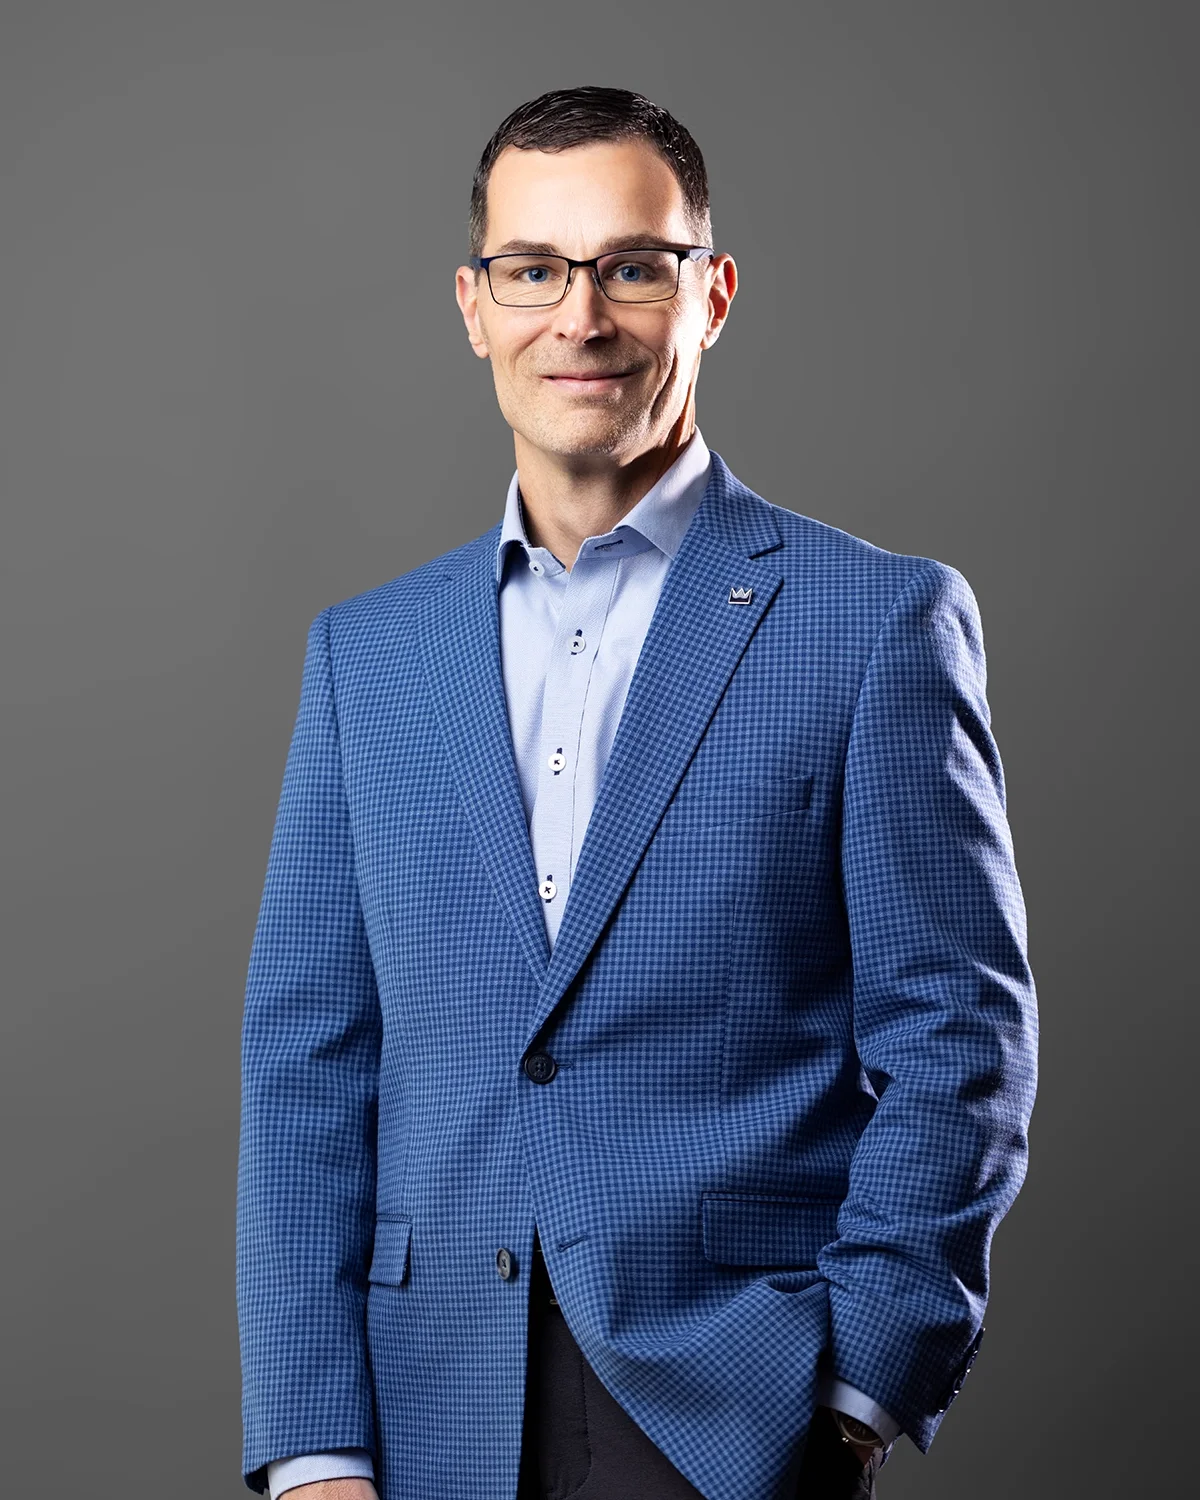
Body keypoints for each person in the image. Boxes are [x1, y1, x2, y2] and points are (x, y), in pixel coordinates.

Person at [236, 86, 1038, 1500]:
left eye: (631, 268)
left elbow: (958, 1035)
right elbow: (309, 1063)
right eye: (533, 271)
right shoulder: (370, 656)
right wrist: (312, 1447)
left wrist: (858, 1388)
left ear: (710, 295)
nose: (580, 317)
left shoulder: (876, 623)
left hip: (732, 1411)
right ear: (475, 307)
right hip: (423, 1408)